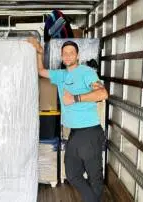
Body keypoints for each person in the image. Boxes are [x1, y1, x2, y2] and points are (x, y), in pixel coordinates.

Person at [27, 38, 108, 202]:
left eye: (71, 52)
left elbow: (103, 94)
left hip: (90, 132)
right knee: (72, 173)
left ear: (77, 55)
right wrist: (39, 52)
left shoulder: (87, 72)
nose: (68, 55)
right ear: (62, 57)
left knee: (95, 177)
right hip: (75, 133)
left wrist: (75, 98)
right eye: (65, 53)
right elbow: (41, 71)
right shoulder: (61, 75)